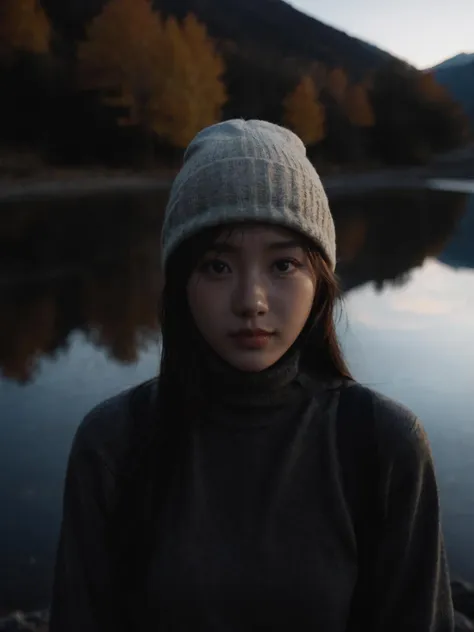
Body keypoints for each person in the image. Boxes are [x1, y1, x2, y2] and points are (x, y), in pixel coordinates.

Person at [50, 119, 454, 632]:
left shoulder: (382, 444)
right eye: (218, 266)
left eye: (283, 265)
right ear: (181, 284)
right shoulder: (115, 444)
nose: (251, 302)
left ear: (321, 281)